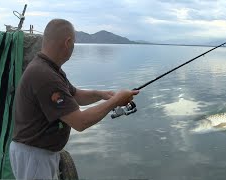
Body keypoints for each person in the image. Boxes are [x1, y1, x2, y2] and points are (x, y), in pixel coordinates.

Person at [9, 19, 139, 179]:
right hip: (34, 156)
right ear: (68, 42)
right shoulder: (45, 75)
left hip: (40, 153)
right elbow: (80, 122)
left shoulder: (48, 68)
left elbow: (75, 95)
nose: (73, 48)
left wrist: (102, 95)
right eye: (74, 43)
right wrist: (115, 101)